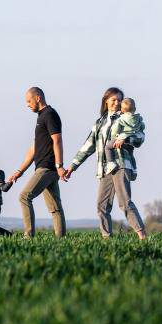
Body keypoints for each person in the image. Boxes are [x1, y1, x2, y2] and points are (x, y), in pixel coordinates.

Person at [65, 87, 148, 240]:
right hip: (105, 168)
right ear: (106, 101)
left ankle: (142, 236)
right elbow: (88, 146)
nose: (116, 103)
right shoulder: (100, 123)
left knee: (124, 202)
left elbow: (140, 137)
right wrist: (72, 166)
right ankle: (106, 239)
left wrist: (125, 139)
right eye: (113, 100)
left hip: (121, 164)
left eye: (119, 100)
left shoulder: (128, 117)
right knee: (102, 206)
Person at [6, 87, 67, 239]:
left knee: (24, 196)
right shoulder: (41, 117)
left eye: (29, 101)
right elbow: (33, 149)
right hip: (43, 167)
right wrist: (19, 172)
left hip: (47, 167)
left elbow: (57, 140)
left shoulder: (50, 114)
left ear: (38, 97)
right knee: (54, 207)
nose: (27, 104)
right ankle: (61, 239)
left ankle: (28, 237)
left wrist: (59, 166)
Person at [103, 97, 144, 170]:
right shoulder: (139, 118)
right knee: (131, 154)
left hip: (120, 137)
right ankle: (134, 169)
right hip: (130, 137)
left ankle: (110, 163)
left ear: (122, 109)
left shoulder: (121, 119)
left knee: (107, 148)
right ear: (134, 109)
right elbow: (142, 127)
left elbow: (115, 129)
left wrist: (115, 137)